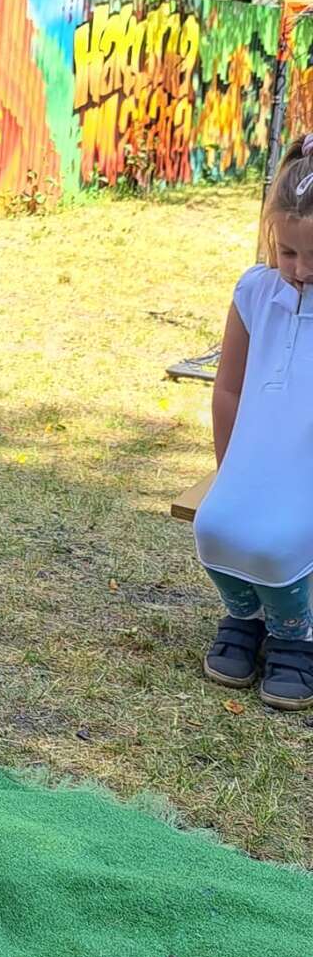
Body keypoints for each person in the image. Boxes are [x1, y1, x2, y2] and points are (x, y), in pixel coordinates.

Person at [195, 133, 313, 710]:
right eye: (288, 252)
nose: (301, 270)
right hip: (257, 455)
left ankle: (297, 634)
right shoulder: (254, 292)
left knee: (278, 541)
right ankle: (249, 615)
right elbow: (229, 387)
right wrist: (228, 469)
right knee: (214, 525)